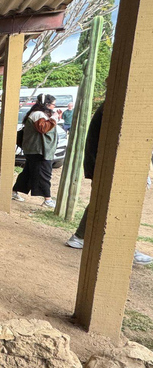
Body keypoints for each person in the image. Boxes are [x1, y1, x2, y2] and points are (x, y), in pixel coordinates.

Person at [65, 105, 153, 265]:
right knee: (121, 206)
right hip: (109, 166)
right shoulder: (118, 106)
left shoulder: (110, 104)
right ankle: (124, 248)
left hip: (101, 164)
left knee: (101, 202)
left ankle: (79, 237)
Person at [12, 94, 59, 207]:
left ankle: (14, 192)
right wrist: (54, 118)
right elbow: (43, 129)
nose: (54, 107)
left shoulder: (37, 114)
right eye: (53, 105)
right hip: (38, 150)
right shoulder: (38, 114)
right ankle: (47, 199)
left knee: (28, 173)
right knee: (44, 174)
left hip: (35, 150)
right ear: (47, 105)